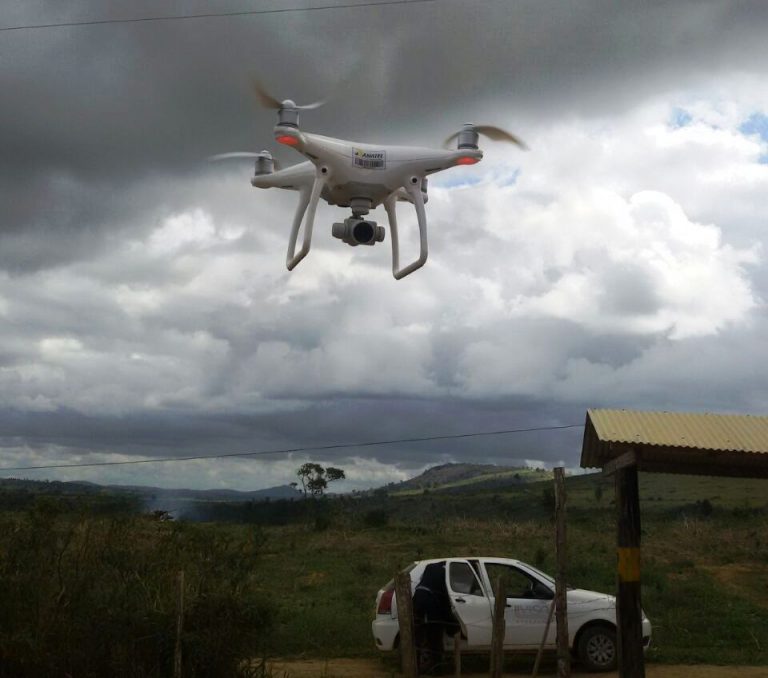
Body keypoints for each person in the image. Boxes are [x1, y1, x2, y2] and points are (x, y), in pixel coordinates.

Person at [412, 562, 459, 675]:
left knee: (417, 636)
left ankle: (416, 667)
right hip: (431, 604)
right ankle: (437, 669)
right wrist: (451, 623)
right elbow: (445, 601)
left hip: (417, 601)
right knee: (435, 636)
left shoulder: (430, 568)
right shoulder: (443, 573)